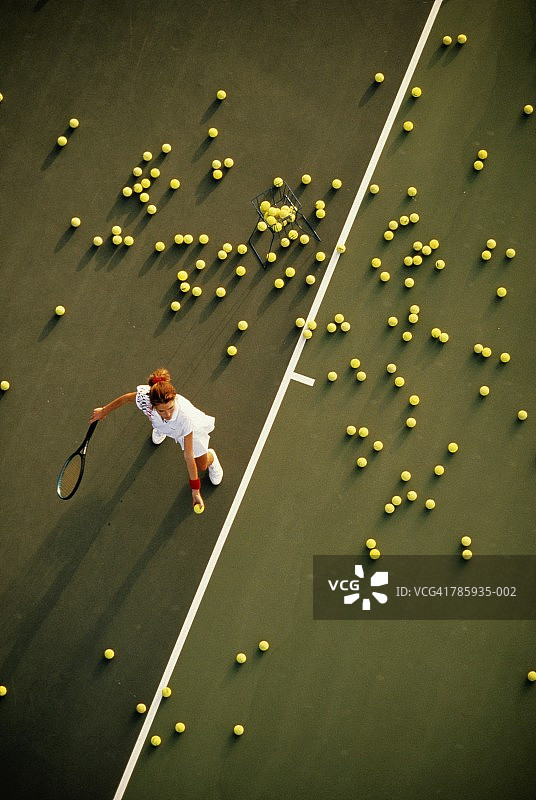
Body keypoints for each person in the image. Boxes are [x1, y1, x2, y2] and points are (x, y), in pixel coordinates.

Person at [89, 368, 222, 509]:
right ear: (153, 404)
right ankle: (161, 430)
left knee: (201, 465)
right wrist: (103, 411)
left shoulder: (185, 418)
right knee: (159, 422)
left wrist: (195, 490)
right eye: (162, 411)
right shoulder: (146, 398)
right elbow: (127, 398)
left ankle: (212, 458)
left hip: (189, 432)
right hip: (166, 426)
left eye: (170, 408)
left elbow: (188, 456)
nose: (168, 414)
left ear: (175, 399)